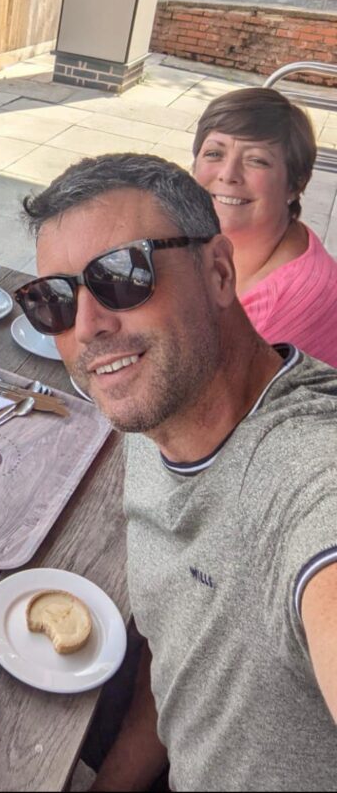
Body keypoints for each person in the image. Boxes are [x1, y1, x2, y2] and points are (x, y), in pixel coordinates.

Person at [17, 153, 337, 792]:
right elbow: (181, 668)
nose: (87, 328)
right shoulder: (154, 412)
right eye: (53, 299)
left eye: (121, 276)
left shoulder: (306, 471)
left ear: (218, 271)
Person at [192, 86, 337, 366]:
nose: (228, 175)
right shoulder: (204, 238)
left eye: (256, 160)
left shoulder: (285, 305)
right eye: (214, 154)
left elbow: (211, 403)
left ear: (295, 184)